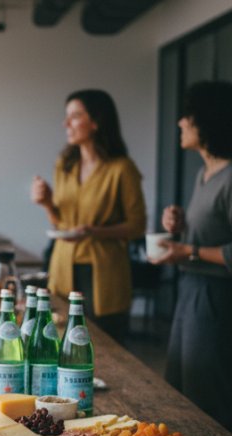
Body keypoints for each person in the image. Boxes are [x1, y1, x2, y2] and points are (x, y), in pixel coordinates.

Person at [150, 81, 232, 433]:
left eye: (189, 115)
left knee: (207, 407)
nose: (180, 122)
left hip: (218, 300)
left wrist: (189, 249)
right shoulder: (206, 174)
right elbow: (212, 237)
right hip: (192, 292)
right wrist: (181, 229)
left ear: (211, 122)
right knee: (181, 397)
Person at [30, 90, 146, 345]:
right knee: (59, 343)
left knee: (103, 349)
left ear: (96, 122)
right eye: (66, 116)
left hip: (103, 273)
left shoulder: (122, 169)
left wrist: (94, 232)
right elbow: (60, 223)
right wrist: (47, 202)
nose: (66, 123)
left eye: (74, 116)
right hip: (63, 268)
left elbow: (138, 225)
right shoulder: (65, 165)